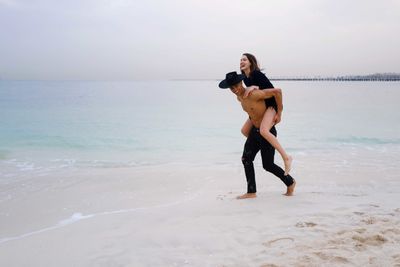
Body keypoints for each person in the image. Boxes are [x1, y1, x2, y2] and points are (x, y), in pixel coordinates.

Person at [219, 71, 296, 198]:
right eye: (231, 88)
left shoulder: (254, 94)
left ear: (241, 83)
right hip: (255, 131)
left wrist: (279, 112)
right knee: (246, 159)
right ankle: (251, 192)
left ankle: (290, 182)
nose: (234, 90)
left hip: (267, 132)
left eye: (236, 86)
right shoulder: (238, 97)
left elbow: (277, 92)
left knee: (268, 165)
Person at [240, 53, 293, 176]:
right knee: (244, 131)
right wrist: (253, 87)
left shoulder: (256, 74)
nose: (241, 62)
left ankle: (286, 157)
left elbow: (277, 92)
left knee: (264, 130)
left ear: (250, 63)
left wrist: (279, 112)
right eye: (240, 60)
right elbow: (258, 91)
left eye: (244, 60)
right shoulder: (246, 78)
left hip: (272, 106)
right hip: (263, 108)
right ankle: (264, 143)